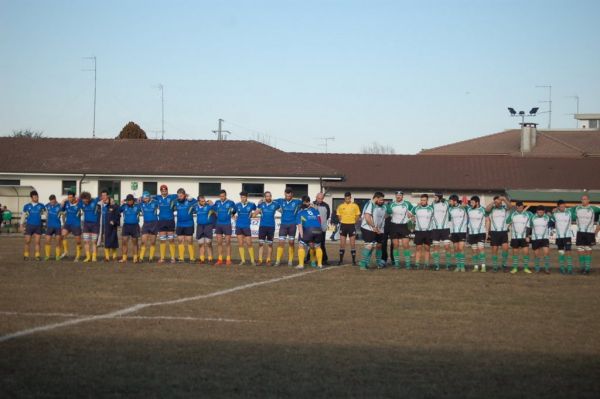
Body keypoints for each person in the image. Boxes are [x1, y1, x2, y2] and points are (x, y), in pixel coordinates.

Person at [572, 194, 600, 274]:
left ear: (588, 200)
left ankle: (587, 269)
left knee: (588, 250)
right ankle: (582, 267)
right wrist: (556, 209)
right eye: (582, 199)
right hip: (580, 232)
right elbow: (566, 210)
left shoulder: (593, 208)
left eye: (585, 199)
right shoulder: (577, 208)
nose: (583, 200)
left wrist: (598, 226)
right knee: (580, 250)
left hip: (590, 232)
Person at [385, 191, 414, 269]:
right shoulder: (391, 204)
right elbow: (387, 213)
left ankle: (408, 264)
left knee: (406, 245)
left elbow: (414, 210)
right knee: (396, 245)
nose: (398, 196)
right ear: (395, 196)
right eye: (397, 195)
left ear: (402, 196)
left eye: (400, 195)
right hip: (394, 226)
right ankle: (396, 264)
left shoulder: (407, 203)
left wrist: (411, 215)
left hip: (404, 226)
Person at [358, 192, 386, 270]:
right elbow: (367, 217)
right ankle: (363, 264)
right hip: (368, 228)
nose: (382, 201)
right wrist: (374, 227)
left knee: (375, 246)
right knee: (369, 245)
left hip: (375, 229)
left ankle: (373, 262)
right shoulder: (370, 204)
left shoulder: (379, 206)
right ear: (376, 198)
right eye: (381, 200)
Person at [274, 188, 302, 266]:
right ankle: (278, 260)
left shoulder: (297, 201)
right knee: (281, 243)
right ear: (284, 194)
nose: (288, 197)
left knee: (291, 243)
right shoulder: (280, 200)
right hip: (283, 225)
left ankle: (290, 260)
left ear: (292, 195)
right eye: (286, 196)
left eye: (289, 196)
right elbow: (270, 201)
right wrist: (262, 200)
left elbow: (306, 202)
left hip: (292, 225)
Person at [296, 195, 324, 269]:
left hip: (309, 229)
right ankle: (319, 264)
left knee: (301, 245)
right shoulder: (315, 210)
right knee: (317, 246)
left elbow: (300, 225)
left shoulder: (300, 212)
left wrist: (301, 236)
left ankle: (301, 265)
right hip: (318, 229)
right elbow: (319, 220)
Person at [254, 191, 281, 265]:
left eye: (269, 196)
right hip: (262, 226)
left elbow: (282, 210)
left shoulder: (275, 204)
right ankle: (260, 260)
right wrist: (255, 212)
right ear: (264, 197)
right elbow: (255, 213)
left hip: (271, 226)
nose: (268, 197)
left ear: (271, 196)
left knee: (270, 244)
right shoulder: (261, 205)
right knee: (260, 244)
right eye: (267, 196)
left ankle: (268, 260)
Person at [485, 196, 511, 272]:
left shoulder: (504, 208)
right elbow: (486, 209)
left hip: (503, 231)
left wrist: (504, 200)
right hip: (494, 232)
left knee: (505, 249)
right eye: (496, 202)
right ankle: (495, 267)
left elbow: (510, 207)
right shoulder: (491, 209)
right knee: (494, 249)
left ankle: (504, 265)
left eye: (499, 202)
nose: (498, 203)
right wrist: (494, 202)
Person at [507, 201, 533, 274]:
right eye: (518, 207)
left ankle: (526, 268)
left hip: (524, 237)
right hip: (515, 237)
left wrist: (527, 236)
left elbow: (528, 226)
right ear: (516, 207)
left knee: (526, 253)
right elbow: (507, 221)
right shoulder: (513, 214)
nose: (519, 208)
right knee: (515, 253)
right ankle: (515, 268)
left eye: (521, 207)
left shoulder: (527, 214)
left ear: (523, 207)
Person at [154, 185, 178, 264]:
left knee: (171, 240)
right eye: (162, 189)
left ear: (167, 190)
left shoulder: (172, 197)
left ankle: (173, 258)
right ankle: (162, 258)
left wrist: (188, 196)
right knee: (162, 240)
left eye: (165, 189)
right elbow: (148, 197)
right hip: (161, 221)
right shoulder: (158, 197)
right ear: (160, 191)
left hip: (170, 221)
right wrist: (139, 198)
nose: (164, 190)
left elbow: (182, 195)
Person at [336, 192, 361, 265]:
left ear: (350, 198)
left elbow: (357, 215)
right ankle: (340, 261)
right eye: (346, 198)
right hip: (343, 225)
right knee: (342, 244)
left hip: (351, 226)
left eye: (348, 198)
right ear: (344, 198)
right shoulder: (341, 206)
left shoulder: (355, 205)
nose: (347, 199)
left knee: (352, 244)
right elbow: (339, 215)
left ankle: (353, 261)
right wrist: (342, 221)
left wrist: (354, 222)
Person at [411, 194, 434, 270]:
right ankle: (417, 264)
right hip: (418, 231)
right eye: (421, 200)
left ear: (427, 200)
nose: (422, 201)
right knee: (418, 248)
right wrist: (413, 218)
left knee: (427, 248)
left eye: (424, 200)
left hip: (428, 231)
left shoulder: (431, 208)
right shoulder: (416, 208)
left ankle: (426, 264)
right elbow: (410, 214)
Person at [213, 189, 236, 265]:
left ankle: (228, 259)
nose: (221, 197)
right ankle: (220, 259)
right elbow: (214, 211)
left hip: (227, 224)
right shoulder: (217, 202)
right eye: (220, 196)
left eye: (223, 196)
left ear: (225, 196)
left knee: (228, 242)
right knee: (219, 242)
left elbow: (234, 211)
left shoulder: (231, 202)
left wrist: (232, 214)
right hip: (219, 224)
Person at [21, 190, 45, 260]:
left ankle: (37, 256)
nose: (36, 198)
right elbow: (23, 216)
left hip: (38, 226)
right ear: (31, 198)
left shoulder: (41, 206)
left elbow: (45, 215)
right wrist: (21, 225)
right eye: (35, 197)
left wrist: (46, 221)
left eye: (37, 197)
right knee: (27, 241)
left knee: (37, 242)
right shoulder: (26, 206)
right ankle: (26, 255)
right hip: (29, 226)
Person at [174, 188, 197, 263]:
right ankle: (181, 258)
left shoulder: (190, 201)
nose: (179, 197)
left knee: (189, 241)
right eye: (178, 196)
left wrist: (191, 197)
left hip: (189, 224)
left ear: (184, 195)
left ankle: (192, 258)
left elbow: (197, 202)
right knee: (180, 241)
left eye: (181, 195)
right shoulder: (176, 202)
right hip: (180, 224)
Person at [78, 191, 102, 262]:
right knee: (86, 242)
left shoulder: (94, 201)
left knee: (94, 242)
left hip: (95, 224)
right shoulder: (81, 203)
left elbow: (102, 196)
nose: (85, 201)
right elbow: (76, 200)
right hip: (86, 224)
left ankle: (94, 257)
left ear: (89, 198)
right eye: (83, 200)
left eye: (86, 199)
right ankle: (88, 257)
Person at [235, 191, 257, 265]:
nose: (242, 198)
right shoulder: (237, 205)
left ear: (247, 197)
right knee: (240, 244)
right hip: (238, 226)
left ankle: (252, 260)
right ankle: (243, 260)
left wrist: (253, 215)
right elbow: (232, 212)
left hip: (246, 226)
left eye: (244, 197)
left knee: (249, 243)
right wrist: (234, 218)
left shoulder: (251, 204)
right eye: (241, 197)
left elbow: (258, 210)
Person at [431, 193, 452, 271]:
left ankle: (448, 265)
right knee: (436, 247)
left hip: (445, 228)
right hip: (435, 229)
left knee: (447, 247)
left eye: (436, 197)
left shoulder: (446, 203)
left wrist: (445, 199)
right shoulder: (433, 203)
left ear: (439, 197)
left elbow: (452, 203)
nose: (434, 198)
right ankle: (436, 265)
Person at [553, 200, 574, 274]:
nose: (562, 207)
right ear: (558, 206)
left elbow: (575, 208)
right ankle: (562, 268)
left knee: (568, 252)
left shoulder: (569, 212)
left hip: (567, 236)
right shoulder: (555, 214)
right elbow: (550, 220)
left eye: (563, 206)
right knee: (561, 252)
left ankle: (569, 268)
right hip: (559, 236)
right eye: (561, 206)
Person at [467, 196, 487, 272]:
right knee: (474, 250)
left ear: (477, 203)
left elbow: (488, 220)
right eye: (470, 202)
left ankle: (483, 266)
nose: (471, 204)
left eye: (472, 202)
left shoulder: (483, 210)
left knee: (481, 249)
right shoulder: (468, 209)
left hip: (481, 232)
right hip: (472, 233)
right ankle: (475, 266)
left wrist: (487, 232)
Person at [119, 194, 142, 263]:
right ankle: (124, 258)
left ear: (133, 200)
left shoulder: (137, 206)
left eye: (131, 200)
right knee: (124, 242)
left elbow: (143, 205)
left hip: (135, 226)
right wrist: (121, 203)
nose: (129, 202)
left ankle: (135, 257)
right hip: (126, 226)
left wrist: (139, 200)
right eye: (128, 200)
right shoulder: (124, 206)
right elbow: (117, 210)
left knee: (135, 242)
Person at [448, 194, 468, 272]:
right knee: (456, 249)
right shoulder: (450, 209)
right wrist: (450, 231)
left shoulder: (464, 207)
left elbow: (470, 205)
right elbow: (450, 221)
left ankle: (462, 266)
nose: (449, 202)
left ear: (455, 201)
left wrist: (465, 204)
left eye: (450, 201)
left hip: (462, 231)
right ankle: (458, 266)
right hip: (454, 232)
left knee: (461, 248)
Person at [60, 191, 82, 261]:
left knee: (78, 241)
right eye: (68, 197)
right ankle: (66, 251)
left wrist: (79, 198)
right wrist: (63, 201)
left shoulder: (79, 203)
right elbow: (61, 209)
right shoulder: (66, 203)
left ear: (74, 197)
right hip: (68, 224)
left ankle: (78, 256)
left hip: (76, 224)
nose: (69, 198)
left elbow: (85, 201)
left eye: (71, 197)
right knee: (62, 235)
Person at [194, 195, 216, 263]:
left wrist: (212, 204)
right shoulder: (196, 207)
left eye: (204, 200)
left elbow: (216, 209)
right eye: (202, 201)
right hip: (200, 226)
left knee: (208, 243)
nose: (204, 202)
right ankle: (202, 259)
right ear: (198, 201)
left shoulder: (209, 206)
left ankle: (210, 259)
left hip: (208, 226)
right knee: (200, 244)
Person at [139, 191, 159, 262]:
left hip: (154, 223)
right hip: (146, 224)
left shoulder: (155, 202)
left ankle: (151, 257)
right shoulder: (141, 204)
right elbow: (134, 201)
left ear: (149, 197)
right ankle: (141, 257)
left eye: (147, 197)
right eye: (144, 198)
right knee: (143, 241)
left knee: (153, 242)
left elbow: (160, 198)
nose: (145, 199)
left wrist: (153, 196)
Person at [531, 205, 551, 273]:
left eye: (541, 212)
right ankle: (537, 268)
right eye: (539, 212)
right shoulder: (533, 217)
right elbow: (529, 227)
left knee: (546, 253)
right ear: (537, 211)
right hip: (535, 238)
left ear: (544, 212)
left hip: (544, 238)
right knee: (536, 254)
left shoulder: (547, 217)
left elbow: (553, 220)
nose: (540, 213)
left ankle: (547, 268)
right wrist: (528, 235)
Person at [312, 193, 331, 265]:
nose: (320, 200)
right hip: (312, 227)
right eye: (319, 198)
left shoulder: (326, 206)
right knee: (311, 244)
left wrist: (323, 224)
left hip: (322, 228)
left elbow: (327, 216)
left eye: (321, 198)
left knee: (322, 244)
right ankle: (309, 258)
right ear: (316, 197)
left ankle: (324, 259)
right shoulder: (311, 205)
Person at [44, 195, 63, 261]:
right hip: (50, 226)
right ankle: (47, 256)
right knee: (47, 241)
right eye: (50, 201)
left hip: (58, 226)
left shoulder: (60, 206)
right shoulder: (47, 206)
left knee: (58, 241)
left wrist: (63, 225)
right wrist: (46, 223)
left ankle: (57, 256)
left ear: (55, 199)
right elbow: (46, 215)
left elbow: (63, 216)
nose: (51, 202)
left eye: (53, 200)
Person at [101, 195, 120, 261]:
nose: (111, 201)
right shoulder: (105, 207)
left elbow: (118, 216)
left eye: (112, 200)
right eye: (110, 200)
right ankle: (107, 257)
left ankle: (114, 256)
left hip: (113, 227)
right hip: (106, 226)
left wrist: (114, 222)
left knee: (113, 241)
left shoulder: (116, 207)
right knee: (107, 241)